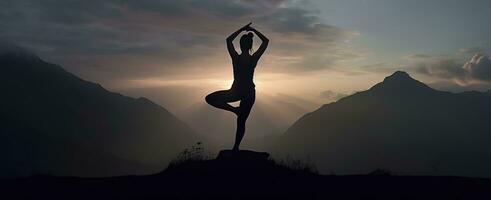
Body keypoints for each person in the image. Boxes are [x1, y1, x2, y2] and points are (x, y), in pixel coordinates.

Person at [205, 22, 269, 151]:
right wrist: (253, 30)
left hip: (235, 91)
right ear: (251, 45)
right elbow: (266, 41)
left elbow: (228, 40)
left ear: (240, 45)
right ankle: (236, 147)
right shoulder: (254, 58)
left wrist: (242, 29)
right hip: (249, 93)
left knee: (210, 98)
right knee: (241, 122)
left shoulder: (236, 58)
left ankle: (234, 111)